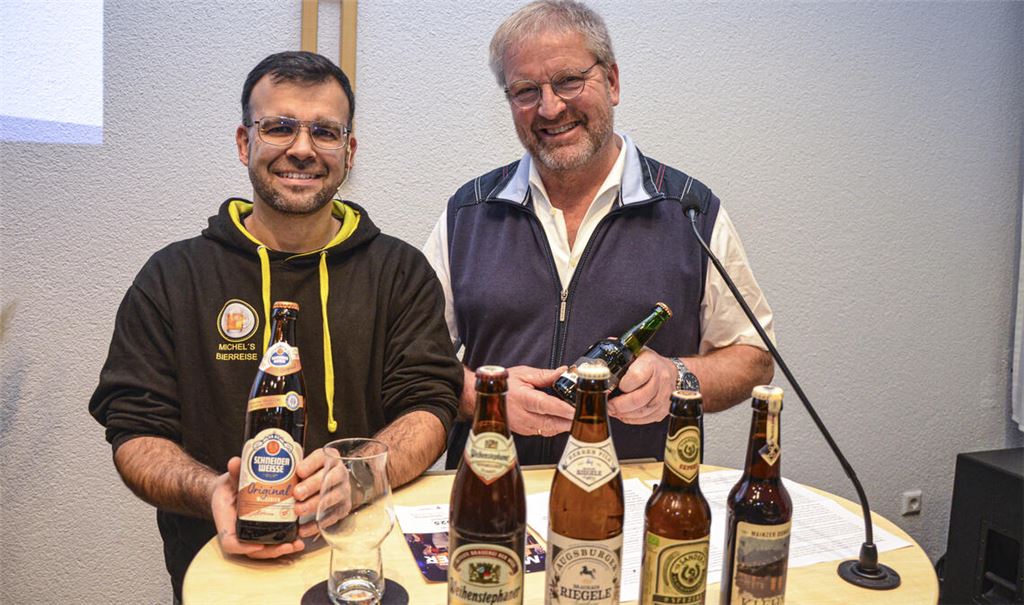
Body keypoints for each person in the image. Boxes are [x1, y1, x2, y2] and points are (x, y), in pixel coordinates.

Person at [89, 51, 462, 600]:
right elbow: (135, 431)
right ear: (245, 143)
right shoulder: (173, 276)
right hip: (227, 564)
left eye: (325, 131)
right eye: (279, 127)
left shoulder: (399, 271)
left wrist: (356, 476)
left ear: (349, 151)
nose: (303, 148)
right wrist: (212, 489)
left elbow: (431, 406)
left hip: (368, 565)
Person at [423, 0, 775, 467]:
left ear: (611, 81)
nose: (550, 107)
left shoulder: (691, 210)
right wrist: (479, 395)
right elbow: (414, 360)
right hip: (490, 495)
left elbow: (753, 356)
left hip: (635, 500)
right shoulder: (468, 212)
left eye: (569, 81)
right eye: (525, 91)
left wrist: (678, 377)